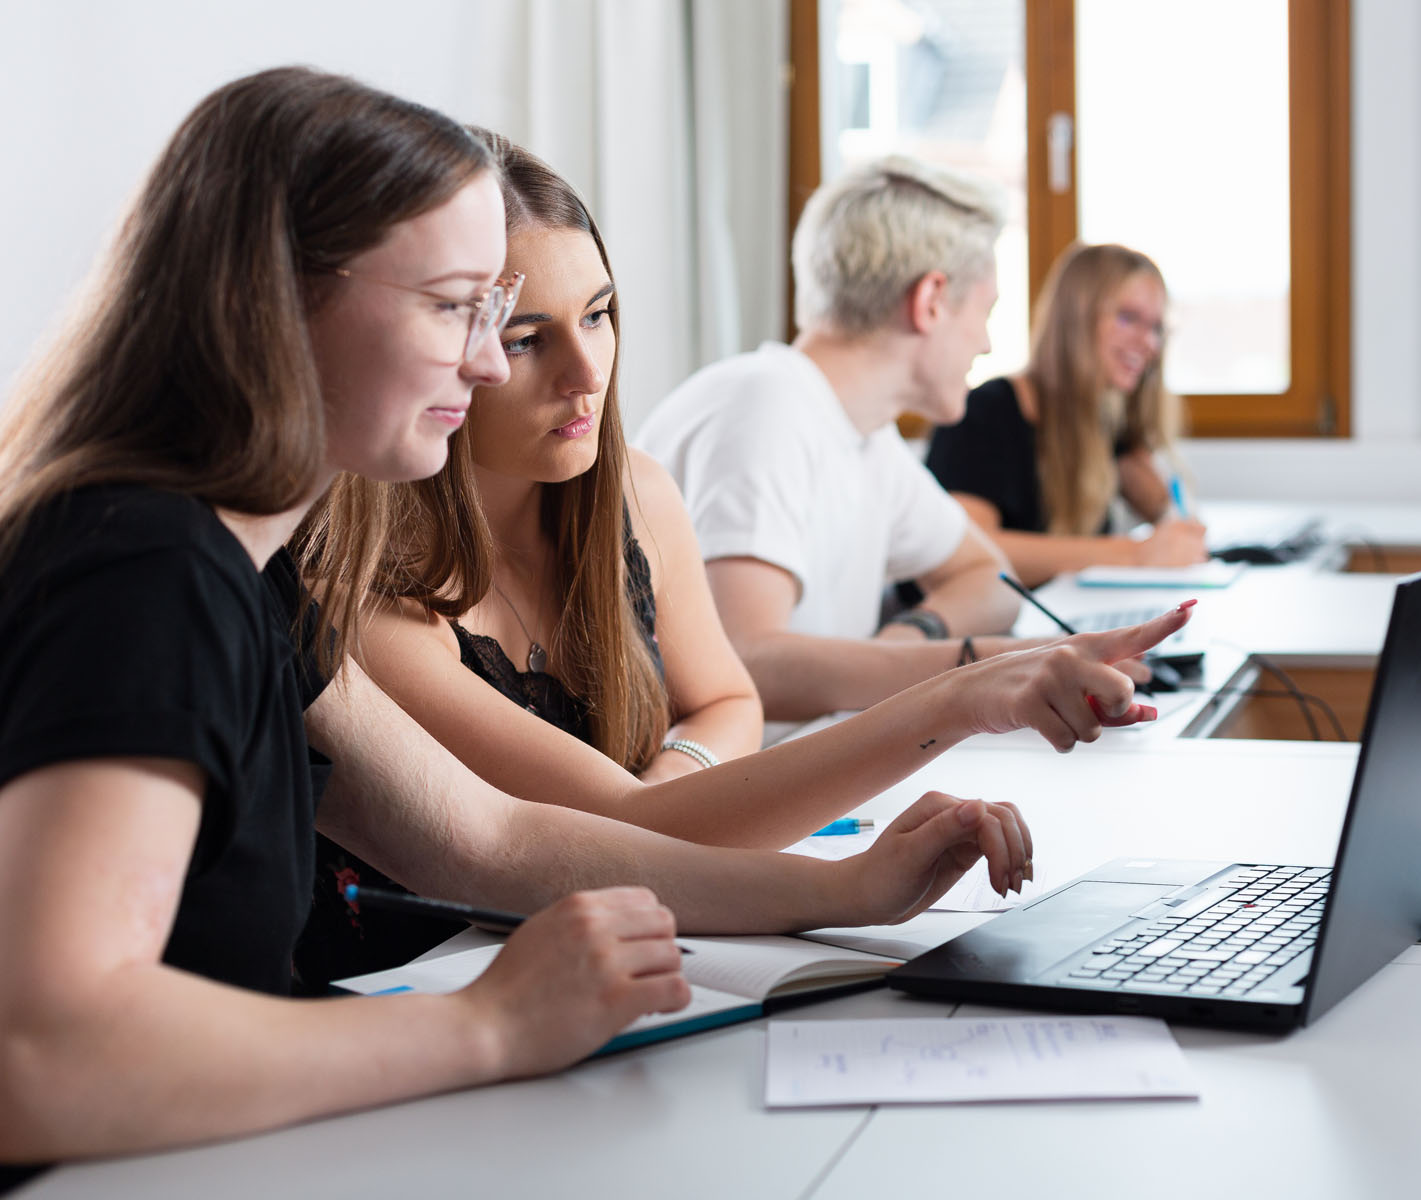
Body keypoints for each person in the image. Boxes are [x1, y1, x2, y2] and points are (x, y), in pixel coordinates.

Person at [0, 68, 1061, 1178]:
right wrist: (490, 1026)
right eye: (461, 307)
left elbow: (488, 839)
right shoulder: (143, 574)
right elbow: (40, 1056)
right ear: (279, 300)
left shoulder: (241, 571)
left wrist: (846, 891)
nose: (480, 359)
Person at [304, 133, 1186, 982]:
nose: (587, 373)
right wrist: (958, 696)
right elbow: (627, 824)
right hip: (425, 986)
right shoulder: (360, 584)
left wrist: (683, 771)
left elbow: (728, 701)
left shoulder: (635, 496)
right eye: (528, 338)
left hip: (605, 948)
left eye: (601, 315)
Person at [638, 156, 1122, 741]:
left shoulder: (865, 434)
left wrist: (908, 638)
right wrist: (984, 668)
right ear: (932, 301)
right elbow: (745, 662)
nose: (988, 341)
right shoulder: (766, 407)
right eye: (986, 312)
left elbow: (989, 577)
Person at [925, 242, 1210, 585]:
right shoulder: (987, 412)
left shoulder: (1102, 420)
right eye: (1127, 318)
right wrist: (1135, 554)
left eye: (1156, 328)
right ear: (1076, 318)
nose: (1150, 343)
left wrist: (1171, 519)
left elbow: (1158, 495)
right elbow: (970, 551)